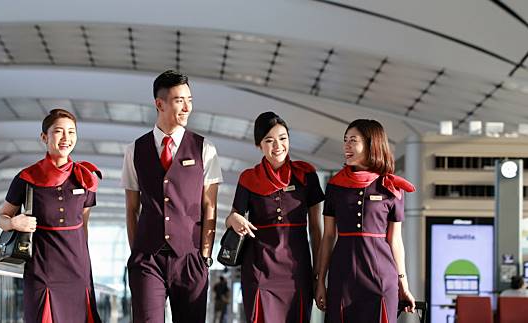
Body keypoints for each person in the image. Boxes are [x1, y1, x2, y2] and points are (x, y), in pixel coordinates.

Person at [121, 70, 222, 322]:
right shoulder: (135, 150)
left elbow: (210, 205)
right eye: (179, 100)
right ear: (159, 104)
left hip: (190, 259)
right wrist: (137, 251)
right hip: (147, 260)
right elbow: (132, 207)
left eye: (189, 99)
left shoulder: (205, 149)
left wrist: (205, 255)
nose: (187, 107)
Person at [0, 108, 102, 323]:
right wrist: (15, 222)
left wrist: (85, 268)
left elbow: (84, 227)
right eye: (59, 132)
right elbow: (2, 217)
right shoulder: (27, 177)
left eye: (71, 132)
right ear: (44, 137)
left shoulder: (85, 178)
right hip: (42, 268)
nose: (66, 138)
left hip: (77, 268)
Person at [226, 111, 324, 323]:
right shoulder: (248, 178)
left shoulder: (306, 174)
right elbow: (233, 216)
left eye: (283, 138)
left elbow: (316, 229)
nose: (277, 145)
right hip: (259, 269)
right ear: (258, 145)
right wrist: (234, 219)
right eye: (269, 140)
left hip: (297, 272)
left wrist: (319, 272)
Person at [315, 119, 416, 322]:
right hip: (342, 278)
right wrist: (320, 281)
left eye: (353, 140)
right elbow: (328, 237)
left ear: (372, 144)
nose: (346, 146)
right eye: (345, 140)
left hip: (381, 279)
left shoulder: (390, 187)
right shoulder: (335, 186)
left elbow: (395, 240)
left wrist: (403, 284)